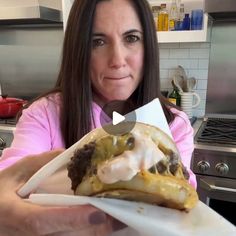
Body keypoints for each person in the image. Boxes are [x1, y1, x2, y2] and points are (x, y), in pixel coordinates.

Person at [0, 0, 197, 235]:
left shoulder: (174, 125)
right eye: (98, 42)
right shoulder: (44, 115)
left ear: (148, 47)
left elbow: (182, 197)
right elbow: (13, 174)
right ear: (80, 50)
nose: (117, 60)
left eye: (131, 38)